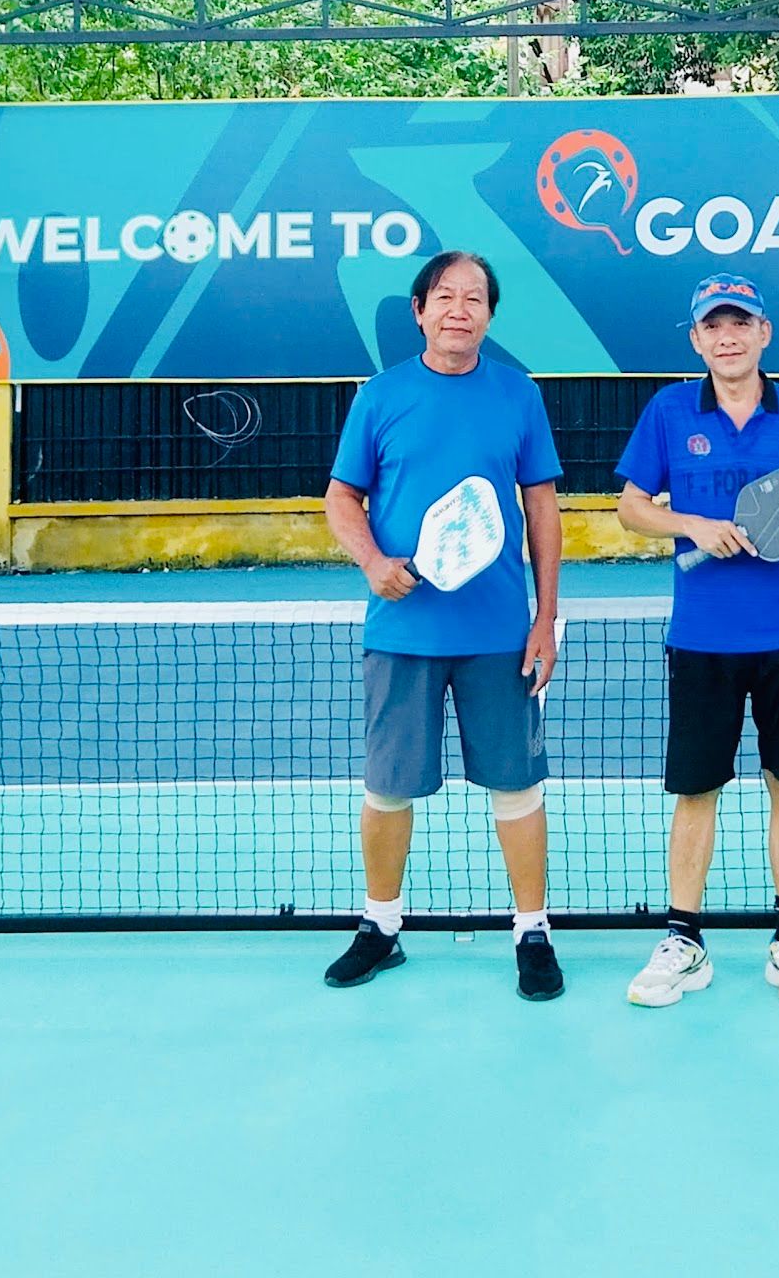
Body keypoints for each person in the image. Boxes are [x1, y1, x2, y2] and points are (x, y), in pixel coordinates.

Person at [615, 273, 779, 1008]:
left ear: (764, 333)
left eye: (740, 324)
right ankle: (684, 940)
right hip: (702, 637)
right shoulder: (669, 411)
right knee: (696, 788)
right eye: (713, 326)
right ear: (696, 340)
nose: (727, 337)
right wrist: (691, 526)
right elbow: (630, 508)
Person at [322, 250, 566, 1002]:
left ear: (489, 315)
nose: (460, 309)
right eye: (446, 297)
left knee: (517, 788)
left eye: (475, 299)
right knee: (387, 790)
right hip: (403, 632)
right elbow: (340, 497)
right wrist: (372, 562)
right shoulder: (380, 396)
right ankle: (380, 926)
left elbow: (542, 509)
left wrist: (545, 617)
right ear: (420, 311)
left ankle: (532, 931)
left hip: (499, 634)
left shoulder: (519, 395)